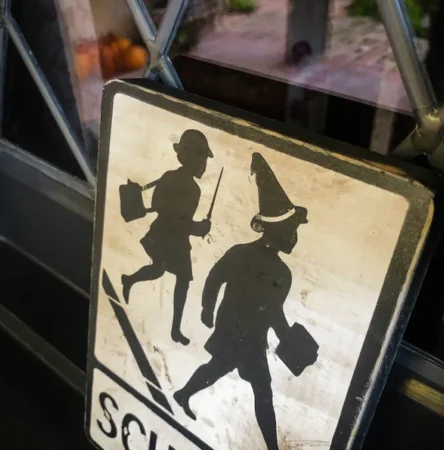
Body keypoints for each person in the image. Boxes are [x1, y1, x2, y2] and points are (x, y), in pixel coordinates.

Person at [173, 152, 309, 450]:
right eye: (292, 230)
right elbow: (214, 278)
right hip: (237, 330)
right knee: (260, 388)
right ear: (275, 229)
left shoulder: (282, 273)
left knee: (221, 370)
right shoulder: (243, 254)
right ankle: (272, 447)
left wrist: (286, 337)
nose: (295, 237)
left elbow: (272, 311)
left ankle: (183, 394)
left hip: (252, 335)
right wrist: (207, 308)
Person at [122, 129, 213, 346]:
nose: (203, 163)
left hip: (178, 240)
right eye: (200, 156)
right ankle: (130, 280)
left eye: (204, 158)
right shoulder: (177, 181)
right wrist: (198, 228)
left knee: (180, 279)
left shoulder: (189, 186)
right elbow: (171, 215)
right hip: (164, 235)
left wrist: (194, 226)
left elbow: (174, 214)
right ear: (188, 155)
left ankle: (175, 329)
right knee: (160, 268)